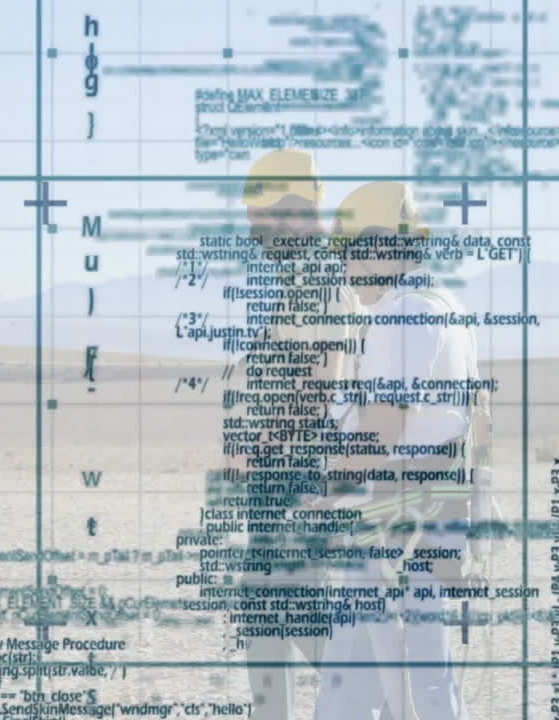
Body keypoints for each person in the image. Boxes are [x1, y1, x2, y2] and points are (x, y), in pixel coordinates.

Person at [311, 181, 492, 720]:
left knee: (410, 675)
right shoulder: (446, 307)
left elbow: (383, 426)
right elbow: (480, 420)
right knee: (381, 670)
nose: (346, 272)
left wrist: (331, 492)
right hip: (427, 514)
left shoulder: (403, 315)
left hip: (398, 522)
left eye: (350, 255)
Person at [231, 149, 361, 720]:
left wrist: (263, 446)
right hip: (284, 470)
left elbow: (322, 379)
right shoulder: (303, 277)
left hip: (297, 471)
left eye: (258, 220)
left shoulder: (319, 275)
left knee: (301, 615)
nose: (253, 234)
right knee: (265, 613)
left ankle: (381, 701)